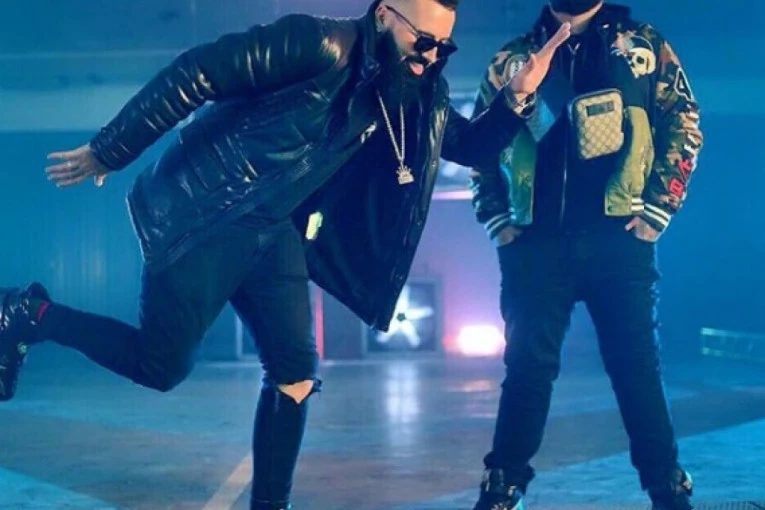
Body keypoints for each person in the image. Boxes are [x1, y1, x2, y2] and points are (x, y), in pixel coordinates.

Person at [0, 1, 572, 509]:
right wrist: (111, 149)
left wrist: (517, 97)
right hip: (204, 214)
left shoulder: (409, 94)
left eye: (443, 48)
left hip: (273, 230)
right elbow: (198, 71)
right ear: (382, 16)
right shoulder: (317, 43)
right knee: (160, 368)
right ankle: (30, 314)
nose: (430, 58)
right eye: (422, 41)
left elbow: (471, 147)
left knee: (295, 374)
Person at [468, 1, 702, 509]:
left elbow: (683, 122)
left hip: (619, 238)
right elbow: (478, 140)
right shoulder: (514, 57)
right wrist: (497, 219)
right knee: (527, 368)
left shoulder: (643, 47)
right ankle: (502, 487)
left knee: (636, 368)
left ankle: (667, 488)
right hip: (534, 244)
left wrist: (658, 209)